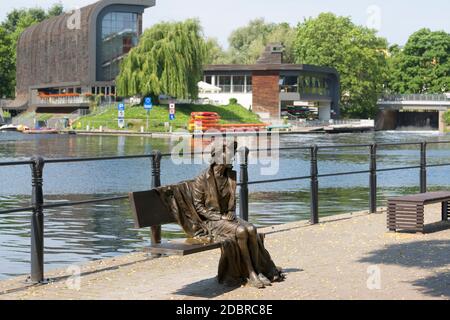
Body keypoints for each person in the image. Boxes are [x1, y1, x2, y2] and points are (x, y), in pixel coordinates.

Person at [192, 140, 283, 288]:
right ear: (219, 157)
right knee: (241, 231)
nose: (233, 158)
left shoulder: (230, 176)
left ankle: (258, 270)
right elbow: (198, 206)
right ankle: (250, 273)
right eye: (230, 155)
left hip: (227, 217)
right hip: (212, 220)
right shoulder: (202, 179)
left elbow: (232, 201)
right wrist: (219, 216)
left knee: (252, 229)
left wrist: (230, 212)